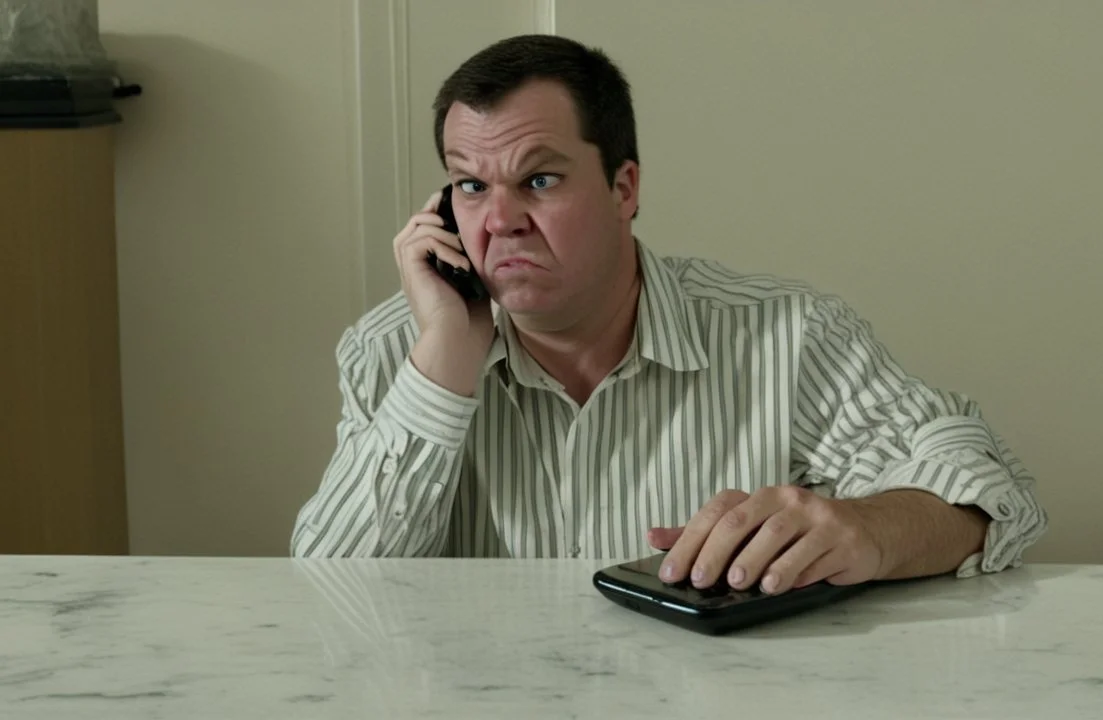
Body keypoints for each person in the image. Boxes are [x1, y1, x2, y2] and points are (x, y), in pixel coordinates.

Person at [291, 34, 1048, 596]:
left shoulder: (790, 336)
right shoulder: (397, 349)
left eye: (540, 179)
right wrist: (446, 364)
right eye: (471, 187)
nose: (501, 220)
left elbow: (988, 491)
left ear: (624, 188)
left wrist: (869, 532)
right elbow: (327, 595)